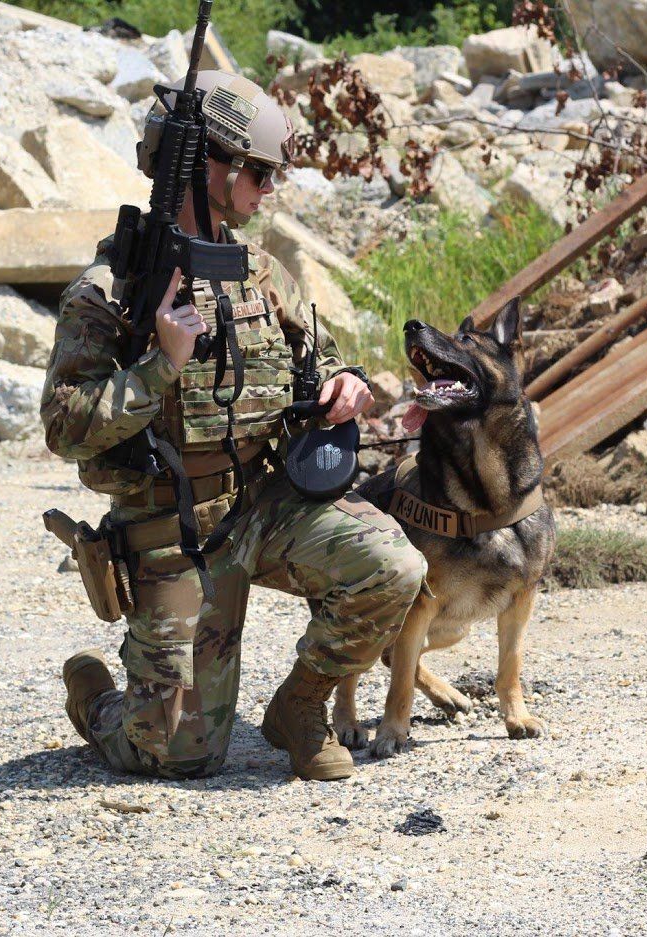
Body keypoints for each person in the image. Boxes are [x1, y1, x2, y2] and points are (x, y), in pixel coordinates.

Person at [41, 71, 426, 782]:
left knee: (394, 566)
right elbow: (64, 426)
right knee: (174, 755)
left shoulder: (256, 269)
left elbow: (319, 349)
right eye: (258, 172)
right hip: (174, 529)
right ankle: (98, 700)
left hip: (265, 504)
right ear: (204, 167)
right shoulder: (108, 292)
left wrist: (342, 382)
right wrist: (160, 364)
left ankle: (300, 708)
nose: (269, 189)